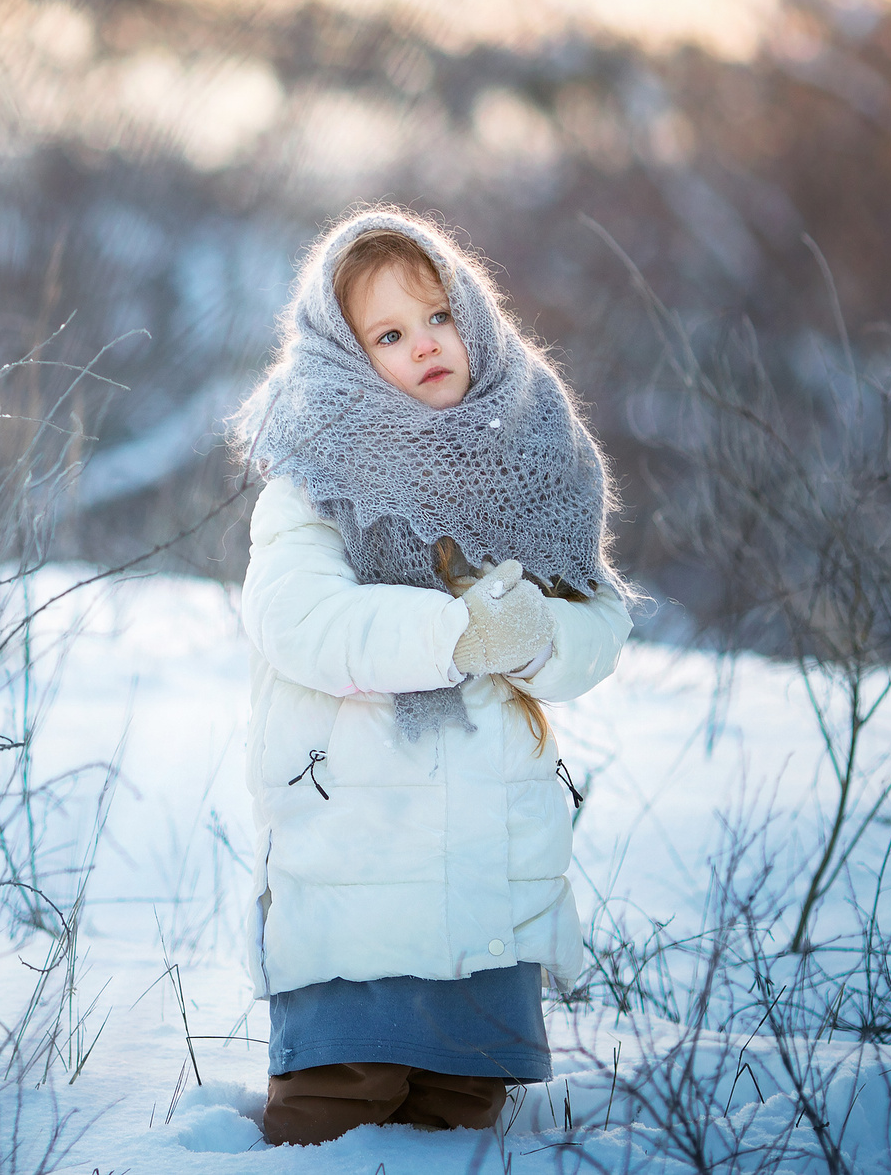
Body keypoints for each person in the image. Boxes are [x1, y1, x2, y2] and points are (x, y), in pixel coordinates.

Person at [228, 208, 632, 1145]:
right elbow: (302, 622)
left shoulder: (535, 453)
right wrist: (460, 635)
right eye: (390, 334)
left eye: (439, 316)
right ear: (345, 353)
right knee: (331, 1120)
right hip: (358, 854)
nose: (426, 345)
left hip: (486, 859)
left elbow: (599, 618)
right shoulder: (312, 475)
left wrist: (533, 640)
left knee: (460, 1127)